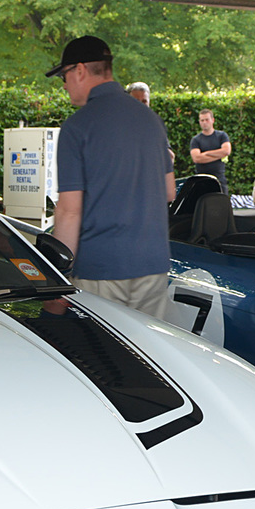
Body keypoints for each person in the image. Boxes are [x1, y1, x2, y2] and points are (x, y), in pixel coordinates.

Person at [47, 35, 175, 319]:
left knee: (101, 358)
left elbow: (69, 212)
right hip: (153, 264)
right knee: (149, 357)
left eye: (64, 77)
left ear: (80, 70)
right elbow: (169, 192)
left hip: (102, 269)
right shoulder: (151, 120)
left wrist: (56, 280)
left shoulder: (77, 127)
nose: (64, 85)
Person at [188, 108, 231, 189]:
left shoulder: (222, 136)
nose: (204, 123)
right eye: (202, 120)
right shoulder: (196, 140)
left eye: (207, 120)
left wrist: (206, 153)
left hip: (219, 179)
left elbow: (226, 151)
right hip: (201, 181)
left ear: (213, 120)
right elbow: (197, 158)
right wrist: (218, 154)